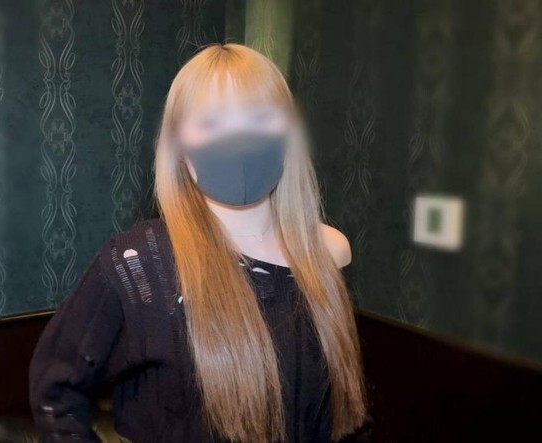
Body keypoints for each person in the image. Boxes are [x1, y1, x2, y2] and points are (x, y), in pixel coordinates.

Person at [28, 43, 368, 443]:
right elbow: (56, 391)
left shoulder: (329, 252)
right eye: (212, 123)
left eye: (260, 117)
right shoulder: (138, 263)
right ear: (180, 149)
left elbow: (345, 411)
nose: (239, 140)